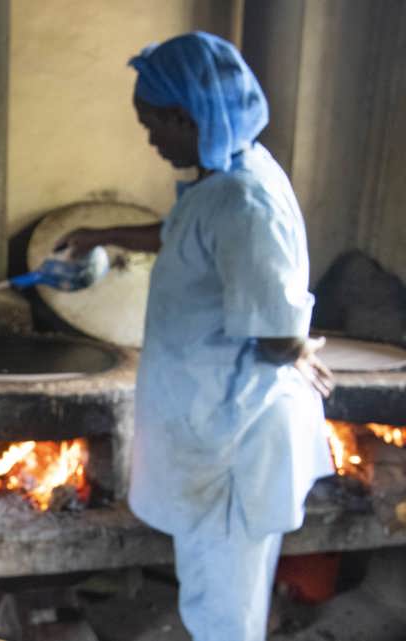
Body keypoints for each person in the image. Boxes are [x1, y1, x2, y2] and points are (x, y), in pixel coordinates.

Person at [57, 32, 335, 641]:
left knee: (224, 607)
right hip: (211, 428)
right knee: (215, 590)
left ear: (187, 116)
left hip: (234, 443)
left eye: (152, 123)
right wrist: (101, 234)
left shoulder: (245, 201)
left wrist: (299, 350)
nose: (150, 138)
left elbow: (275, 332)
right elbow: (183, 232)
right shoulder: (230, 171)